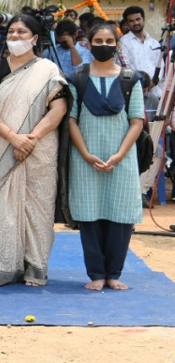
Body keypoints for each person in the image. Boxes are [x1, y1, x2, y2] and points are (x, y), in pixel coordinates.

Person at [0, 15, 70, 287]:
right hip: (4, 145)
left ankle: (35, 265)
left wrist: (30, 139)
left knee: (38, 205)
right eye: (12, 32)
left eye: (22, 32)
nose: (15, 36)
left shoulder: (48, 70)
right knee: (5, 207)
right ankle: (2, 267)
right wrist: (13, 138)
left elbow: (59, 108)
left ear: (35, 38)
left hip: (40, 148)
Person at [66, 23, 145, 291]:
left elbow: (136, 121)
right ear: (88, 44)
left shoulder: (130, 78)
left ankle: (114, 273)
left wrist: (119, 155)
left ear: (117, 44)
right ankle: (96, 274)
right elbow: (71, 120)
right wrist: (86, 154)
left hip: (121, 158)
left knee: (120, 215)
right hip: (85, 157)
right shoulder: (77, 77)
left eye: (109, 40)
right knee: (90, 216)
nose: (104, 45)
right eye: (98, 40)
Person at [119, 6, 163, 109]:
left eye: (138, 19)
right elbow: (125, 68)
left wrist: (152, 83)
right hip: (136, 94)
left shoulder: (154, 42)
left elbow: (160, 65)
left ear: (143, 19)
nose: (135, 23)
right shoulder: (124, 42)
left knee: (155, 123)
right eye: (131, 21)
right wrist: (143, 86)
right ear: (127, 23)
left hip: (157, 92)